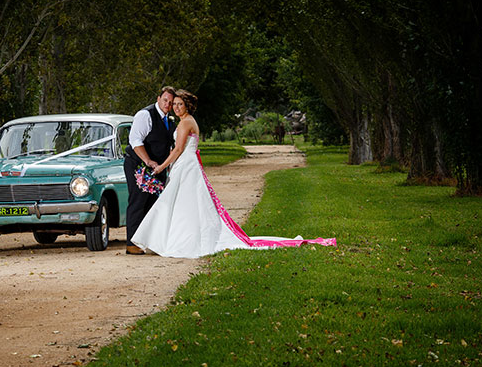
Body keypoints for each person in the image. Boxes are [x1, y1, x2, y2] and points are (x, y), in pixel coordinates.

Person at [131, 89, 337, 258]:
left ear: (187, 106)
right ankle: (166, 239)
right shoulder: (186, 121)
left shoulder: (185, 122)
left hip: (186, 165)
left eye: (179, 104)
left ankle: (176, 240)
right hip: (185, 164)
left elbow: (177, 150)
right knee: (181, 203)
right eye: (174, 104)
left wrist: (161, 167)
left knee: (180, 202)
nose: (175, 107)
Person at [123, 86, 176, 255]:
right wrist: (147, 161)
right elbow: (135, 140)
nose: (167, 104)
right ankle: (132, 243)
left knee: (153, 204)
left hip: (157, 167)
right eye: (165, 100)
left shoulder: (169, 120)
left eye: (171, 102)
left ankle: (148, 241)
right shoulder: (145, 115)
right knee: (138, 202)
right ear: (158, 98)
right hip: (138, 164)